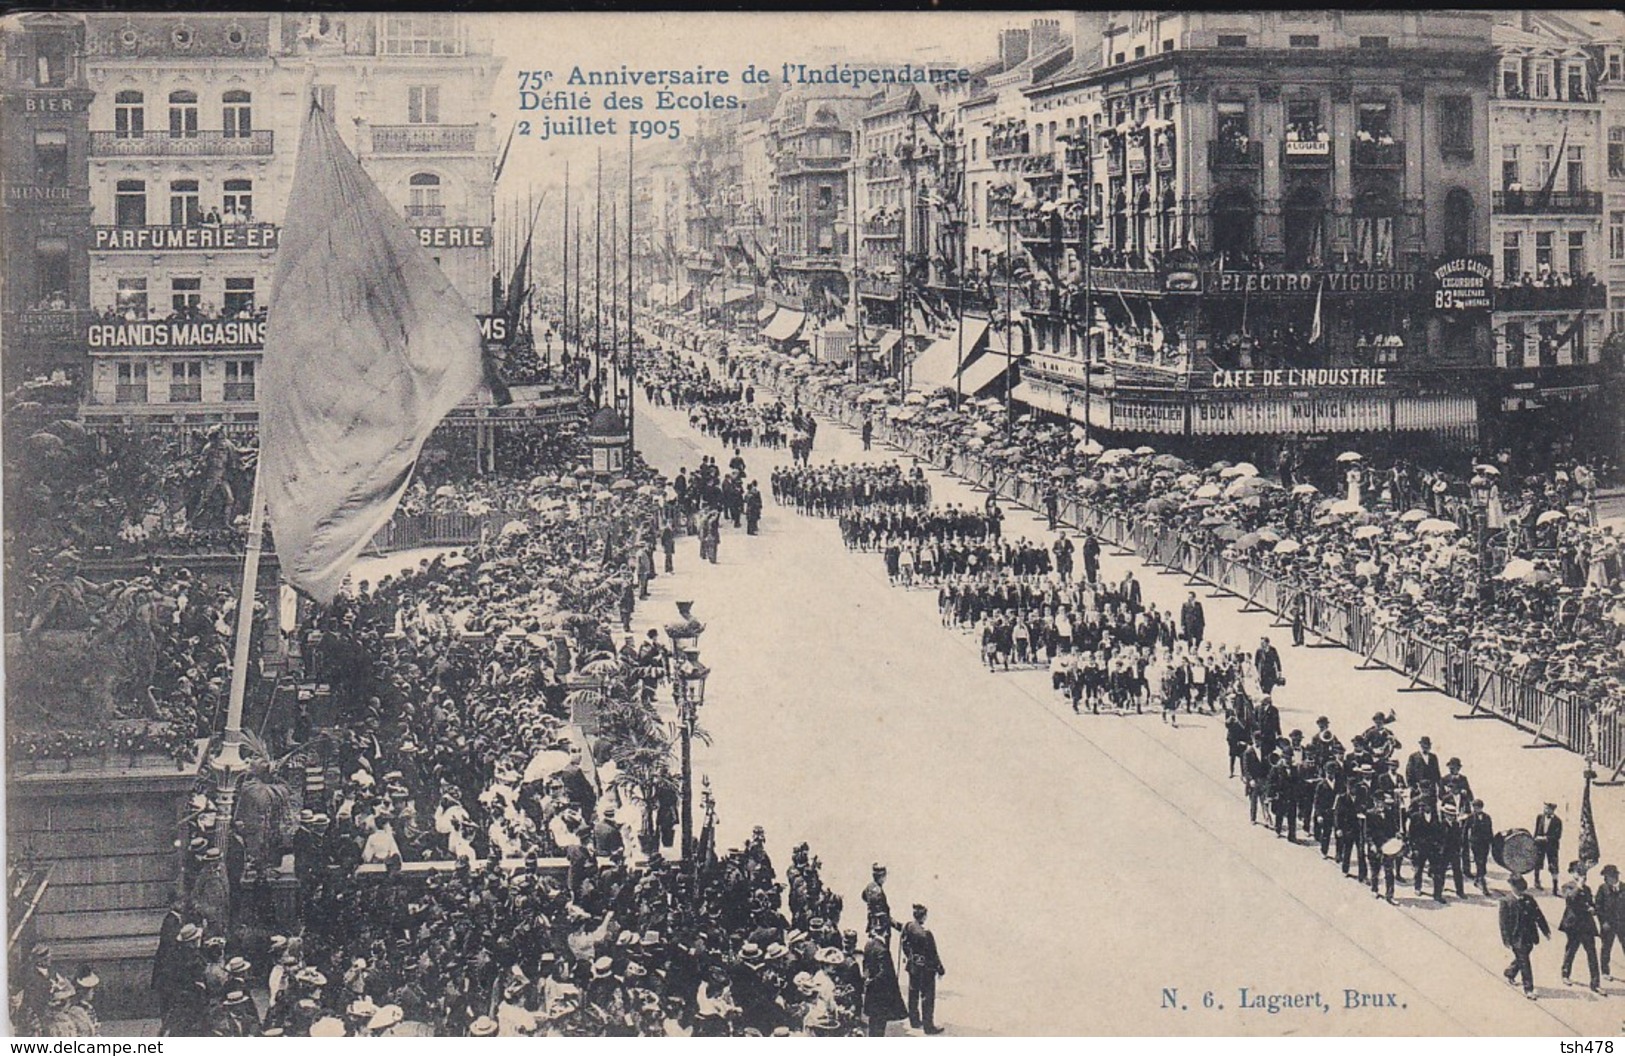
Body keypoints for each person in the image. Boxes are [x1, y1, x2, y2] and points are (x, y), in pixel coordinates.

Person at [1501, 874, 1550, 999]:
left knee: (1524, 956)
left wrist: (1545, 930)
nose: (1520, 891)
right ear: (1512, 886)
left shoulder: (1529, 899)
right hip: (1516, 937)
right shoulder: (1506, 901)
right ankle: (1529, 989)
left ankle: (1510, 972)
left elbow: (1538, 915)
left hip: (1529, 934)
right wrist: (1506, 939)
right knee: (1525, 961)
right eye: (1517, 888)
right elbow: (1503, 923)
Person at [901, 904, 945, 1034]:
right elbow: (933, 954)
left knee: (913, 993)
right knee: (927, 996)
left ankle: (914, 1021)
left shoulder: (908, 926)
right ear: (924, 917)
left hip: (913, 966)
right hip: (926, 969)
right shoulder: (927, 934)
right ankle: (928, 1026)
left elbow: (904, 944)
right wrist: (940, 969)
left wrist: (910, 957)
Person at [1560, 861, 1603, 993]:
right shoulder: (1567, 886)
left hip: (1587, 925)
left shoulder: (1588, 889)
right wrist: (1579, 886)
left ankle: (1595, 983)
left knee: (1592, 953)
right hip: (1573, 925)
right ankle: (1565, 974)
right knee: (1571, 950)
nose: (1583, 876)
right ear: (1572, 873)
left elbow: (1591, 903)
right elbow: (1570, 899)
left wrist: (1593, 909)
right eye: (1579, 873)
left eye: (1584, 873)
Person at [860, 926, 908, 1036]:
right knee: (880, 1025)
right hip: (881, 995)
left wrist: (867, 980)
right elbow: (885, 973)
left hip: (872, 993)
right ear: (886, 933)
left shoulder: (868, 945)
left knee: (873, 1023)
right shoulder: (883, 950)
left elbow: (865, 965)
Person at [1599, 864, 1625, 980]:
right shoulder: (1602, 889)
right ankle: (1605, 972)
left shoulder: (1624, 888)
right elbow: (1599, 907)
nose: (1606, 879)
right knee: (1606, 947)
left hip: (1623, 924)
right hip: (1608, 924)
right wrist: (1603, 922)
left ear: (1615, 877)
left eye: (1607, 876)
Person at [1534, 803, 1564, 892]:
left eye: (1547, 809)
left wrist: (1545, 838)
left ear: (1552, 810)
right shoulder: (1540, 817)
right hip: (1540, 846)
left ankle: (1555, 886)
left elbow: (1557, 836)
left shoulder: (1558, 821)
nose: (1545, 810)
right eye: (1545, 808)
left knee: (1553, 866)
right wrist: (1535, 840)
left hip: (1552, 847)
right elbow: (1536, 831)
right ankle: (1536, 881)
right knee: (1537, 863)